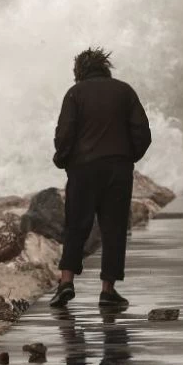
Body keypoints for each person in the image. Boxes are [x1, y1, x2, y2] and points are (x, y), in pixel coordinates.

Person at [48, 47, 151, 308]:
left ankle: (66, 282)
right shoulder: (124, 91)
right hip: (118, 169)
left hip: (82, 170)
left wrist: (62, 159)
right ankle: (108, 291)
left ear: (79, 72)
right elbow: (142, 132)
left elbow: (65, 133)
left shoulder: (75, 94)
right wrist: (128, 157)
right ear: (105, 68)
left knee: (76, 226)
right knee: (114, 228)